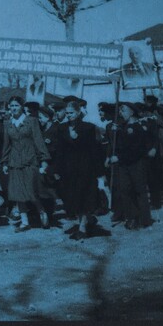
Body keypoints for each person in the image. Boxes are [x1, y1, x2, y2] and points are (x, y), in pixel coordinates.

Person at [55, 100, 106, 239]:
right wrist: (57, 169)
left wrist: (100, 172)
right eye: (67, 113)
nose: (68, 115)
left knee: (83, 197)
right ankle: (87, 219)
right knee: (72, 198)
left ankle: (82, 227)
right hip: (68, 170)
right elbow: (59, 150)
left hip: (85, 168)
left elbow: (95, 150)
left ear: (78, 113)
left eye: (71, 113)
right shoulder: (61, 128)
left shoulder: (88, 128)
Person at [1, 95, 50, 232]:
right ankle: (24, 222)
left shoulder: (32, 121)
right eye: (11, 106)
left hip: (30, 160)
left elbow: (38, 140)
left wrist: (44, 160)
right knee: (17, 192)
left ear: (22, 107)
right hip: (14, 161)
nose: (13, 108)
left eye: (16, 105)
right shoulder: (8, 123)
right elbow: (6, 144)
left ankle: (42, 212)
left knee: (31, 190)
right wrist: (4, 161)